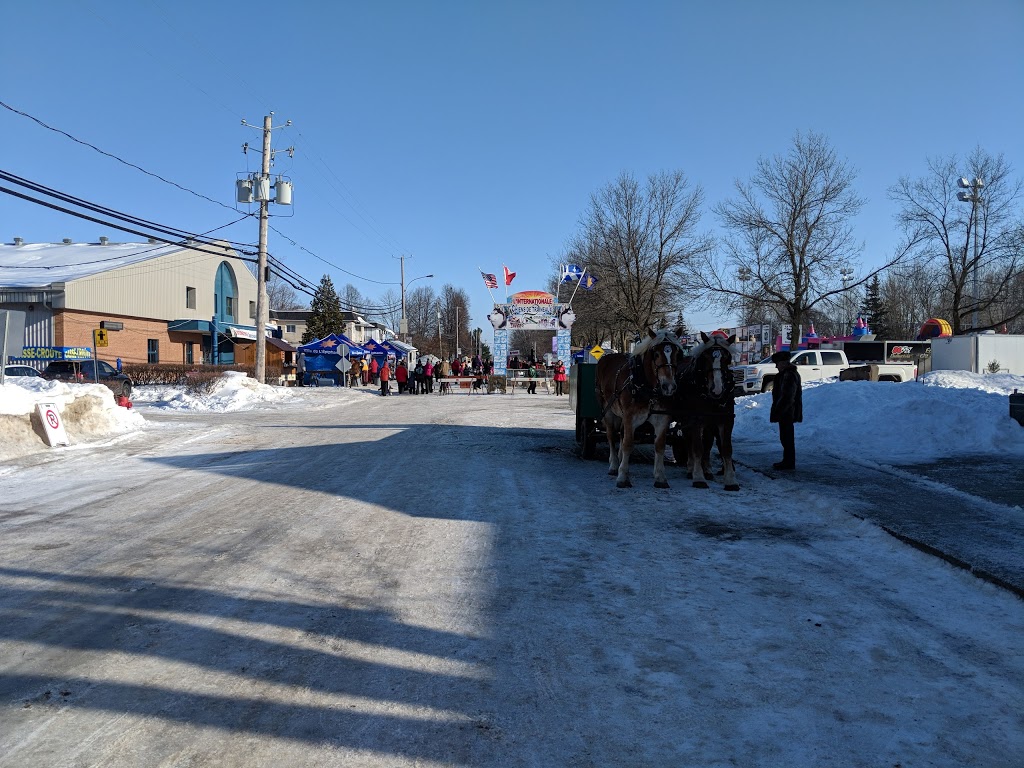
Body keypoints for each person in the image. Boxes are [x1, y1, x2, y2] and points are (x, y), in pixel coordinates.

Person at [769, 349, 803, 470]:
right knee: (785, 437)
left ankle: (789, 462)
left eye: (777, 364)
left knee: (787, 437)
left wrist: (780, 410)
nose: (776, 366)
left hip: (787, 411)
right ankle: (787, 460)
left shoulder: (788, 375)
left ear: (783, 363)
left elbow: (788, 396)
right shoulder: (785, 374)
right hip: (787, 410)